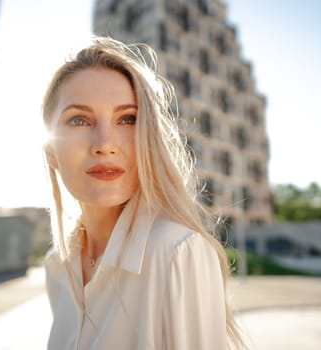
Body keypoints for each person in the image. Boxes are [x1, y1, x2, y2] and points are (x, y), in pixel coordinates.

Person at [42, 36, 245, 349]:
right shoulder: (59, 266)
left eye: (128, 119)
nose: (104, 144)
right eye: (79, 120)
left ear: (149, 139)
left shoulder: (178, 253)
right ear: (51, 152)